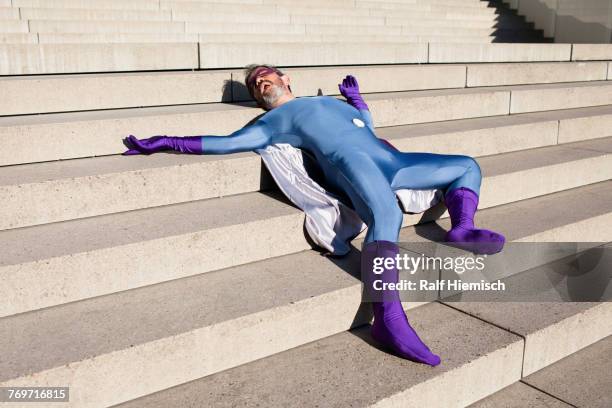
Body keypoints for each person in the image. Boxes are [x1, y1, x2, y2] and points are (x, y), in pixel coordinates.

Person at [123, 64, 506, 366]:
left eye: (264, 76)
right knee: (386, 216)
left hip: (393, 160)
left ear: (286, 78)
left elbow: (366, 128)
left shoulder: (331, 104)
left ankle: (463, 227)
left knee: (466, 165)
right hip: (351, 163)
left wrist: (358, 102)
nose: (259, 84)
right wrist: (166, 142)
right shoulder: (271, 123)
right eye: (255, 85)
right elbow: (228, 144)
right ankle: (388, 320)